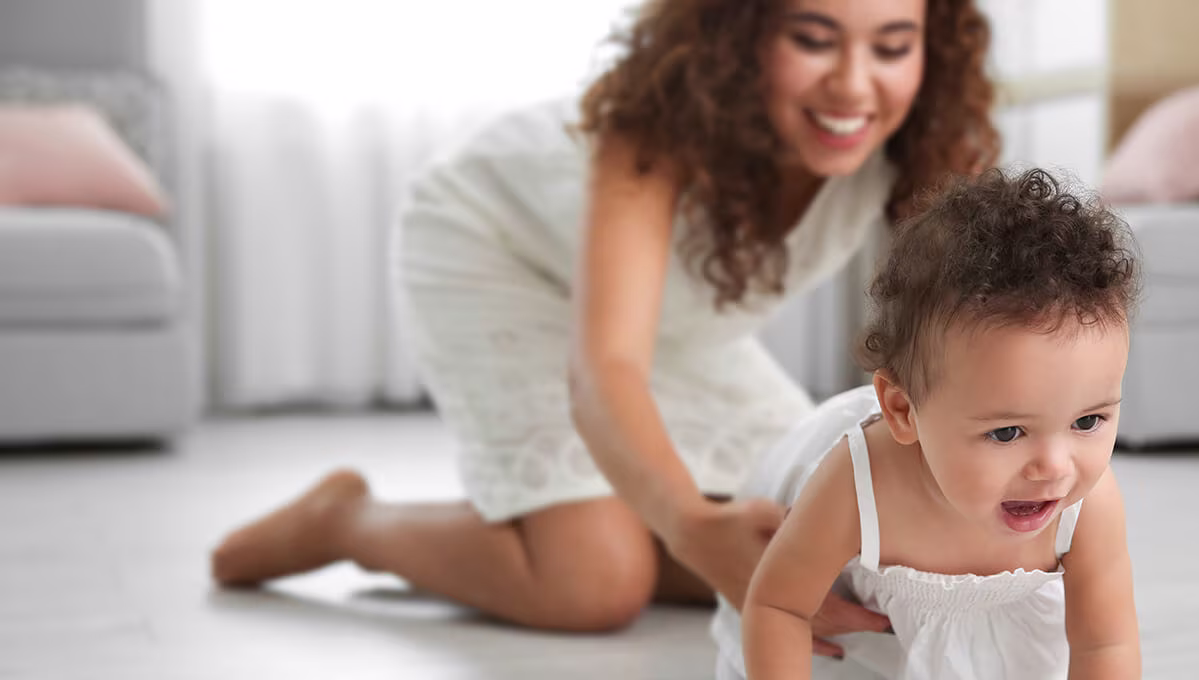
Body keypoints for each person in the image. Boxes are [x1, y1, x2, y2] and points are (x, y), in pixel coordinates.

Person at [209, 0, 1000, 649]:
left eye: (894, 46)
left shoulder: (922, 142)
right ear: (738, 34)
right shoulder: (652, 129)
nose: (854, 86)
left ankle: (593, 511)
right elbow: (606, 369)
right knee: (593, 581)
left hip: (676, 327)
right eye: (812, 39)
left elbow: (980, 343)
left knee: (808, 540)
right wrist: (689, 525)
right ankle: (345, 519)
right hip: (502, 256)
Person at [711, 168, 1143, 679]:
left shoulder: (1088, 504)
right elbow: (778, 608)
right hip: (859, 631)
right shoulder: (859, 484)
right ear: (901, 412)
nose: (1053, 467)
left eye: (1088, 420)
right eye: (1006, 432)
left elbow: (1104, 645)